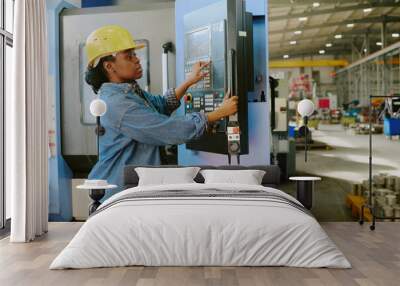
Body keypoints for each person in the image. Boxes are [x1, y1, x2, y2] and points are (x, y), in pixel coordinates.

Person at [85, 25, 238, 199]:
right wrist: (216, 114)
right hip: (119, 191)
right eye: (129, 56)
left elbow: (160, 105)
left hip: (130, 187)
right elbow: (165, 129)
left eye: (135, 54)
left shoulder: (127, 91)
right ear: (109, 66)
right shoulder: (116, 104)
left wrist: (189, 82)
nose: (137, 60)